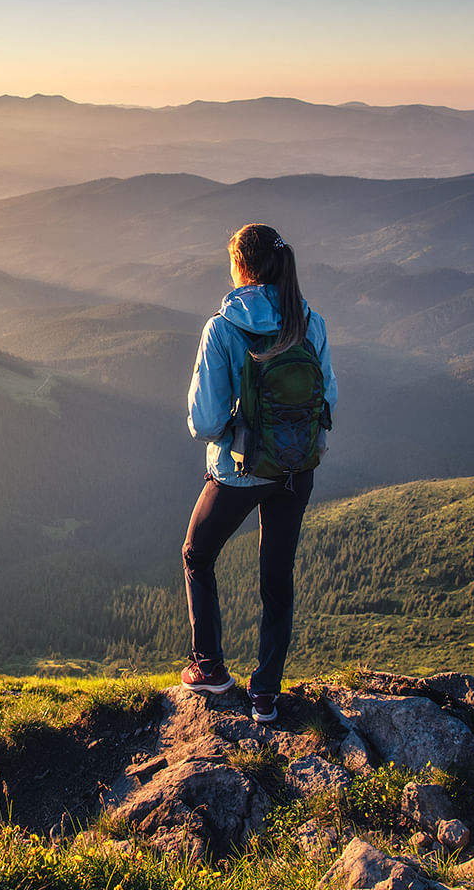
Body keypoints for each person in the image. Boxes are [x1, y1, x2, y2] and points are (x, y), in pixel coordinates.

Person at [181, 222, 337, 722]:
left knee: (197, 554)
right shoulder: (310, 321)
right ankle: (265, 693)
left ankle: (210, 668)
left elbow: (205, 420)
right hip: (297, 468)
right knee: (277, 577)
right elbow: (327, 397)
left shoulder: (223, 327)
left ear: (240, 267)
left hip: (240, 469)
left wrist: (233, 429)